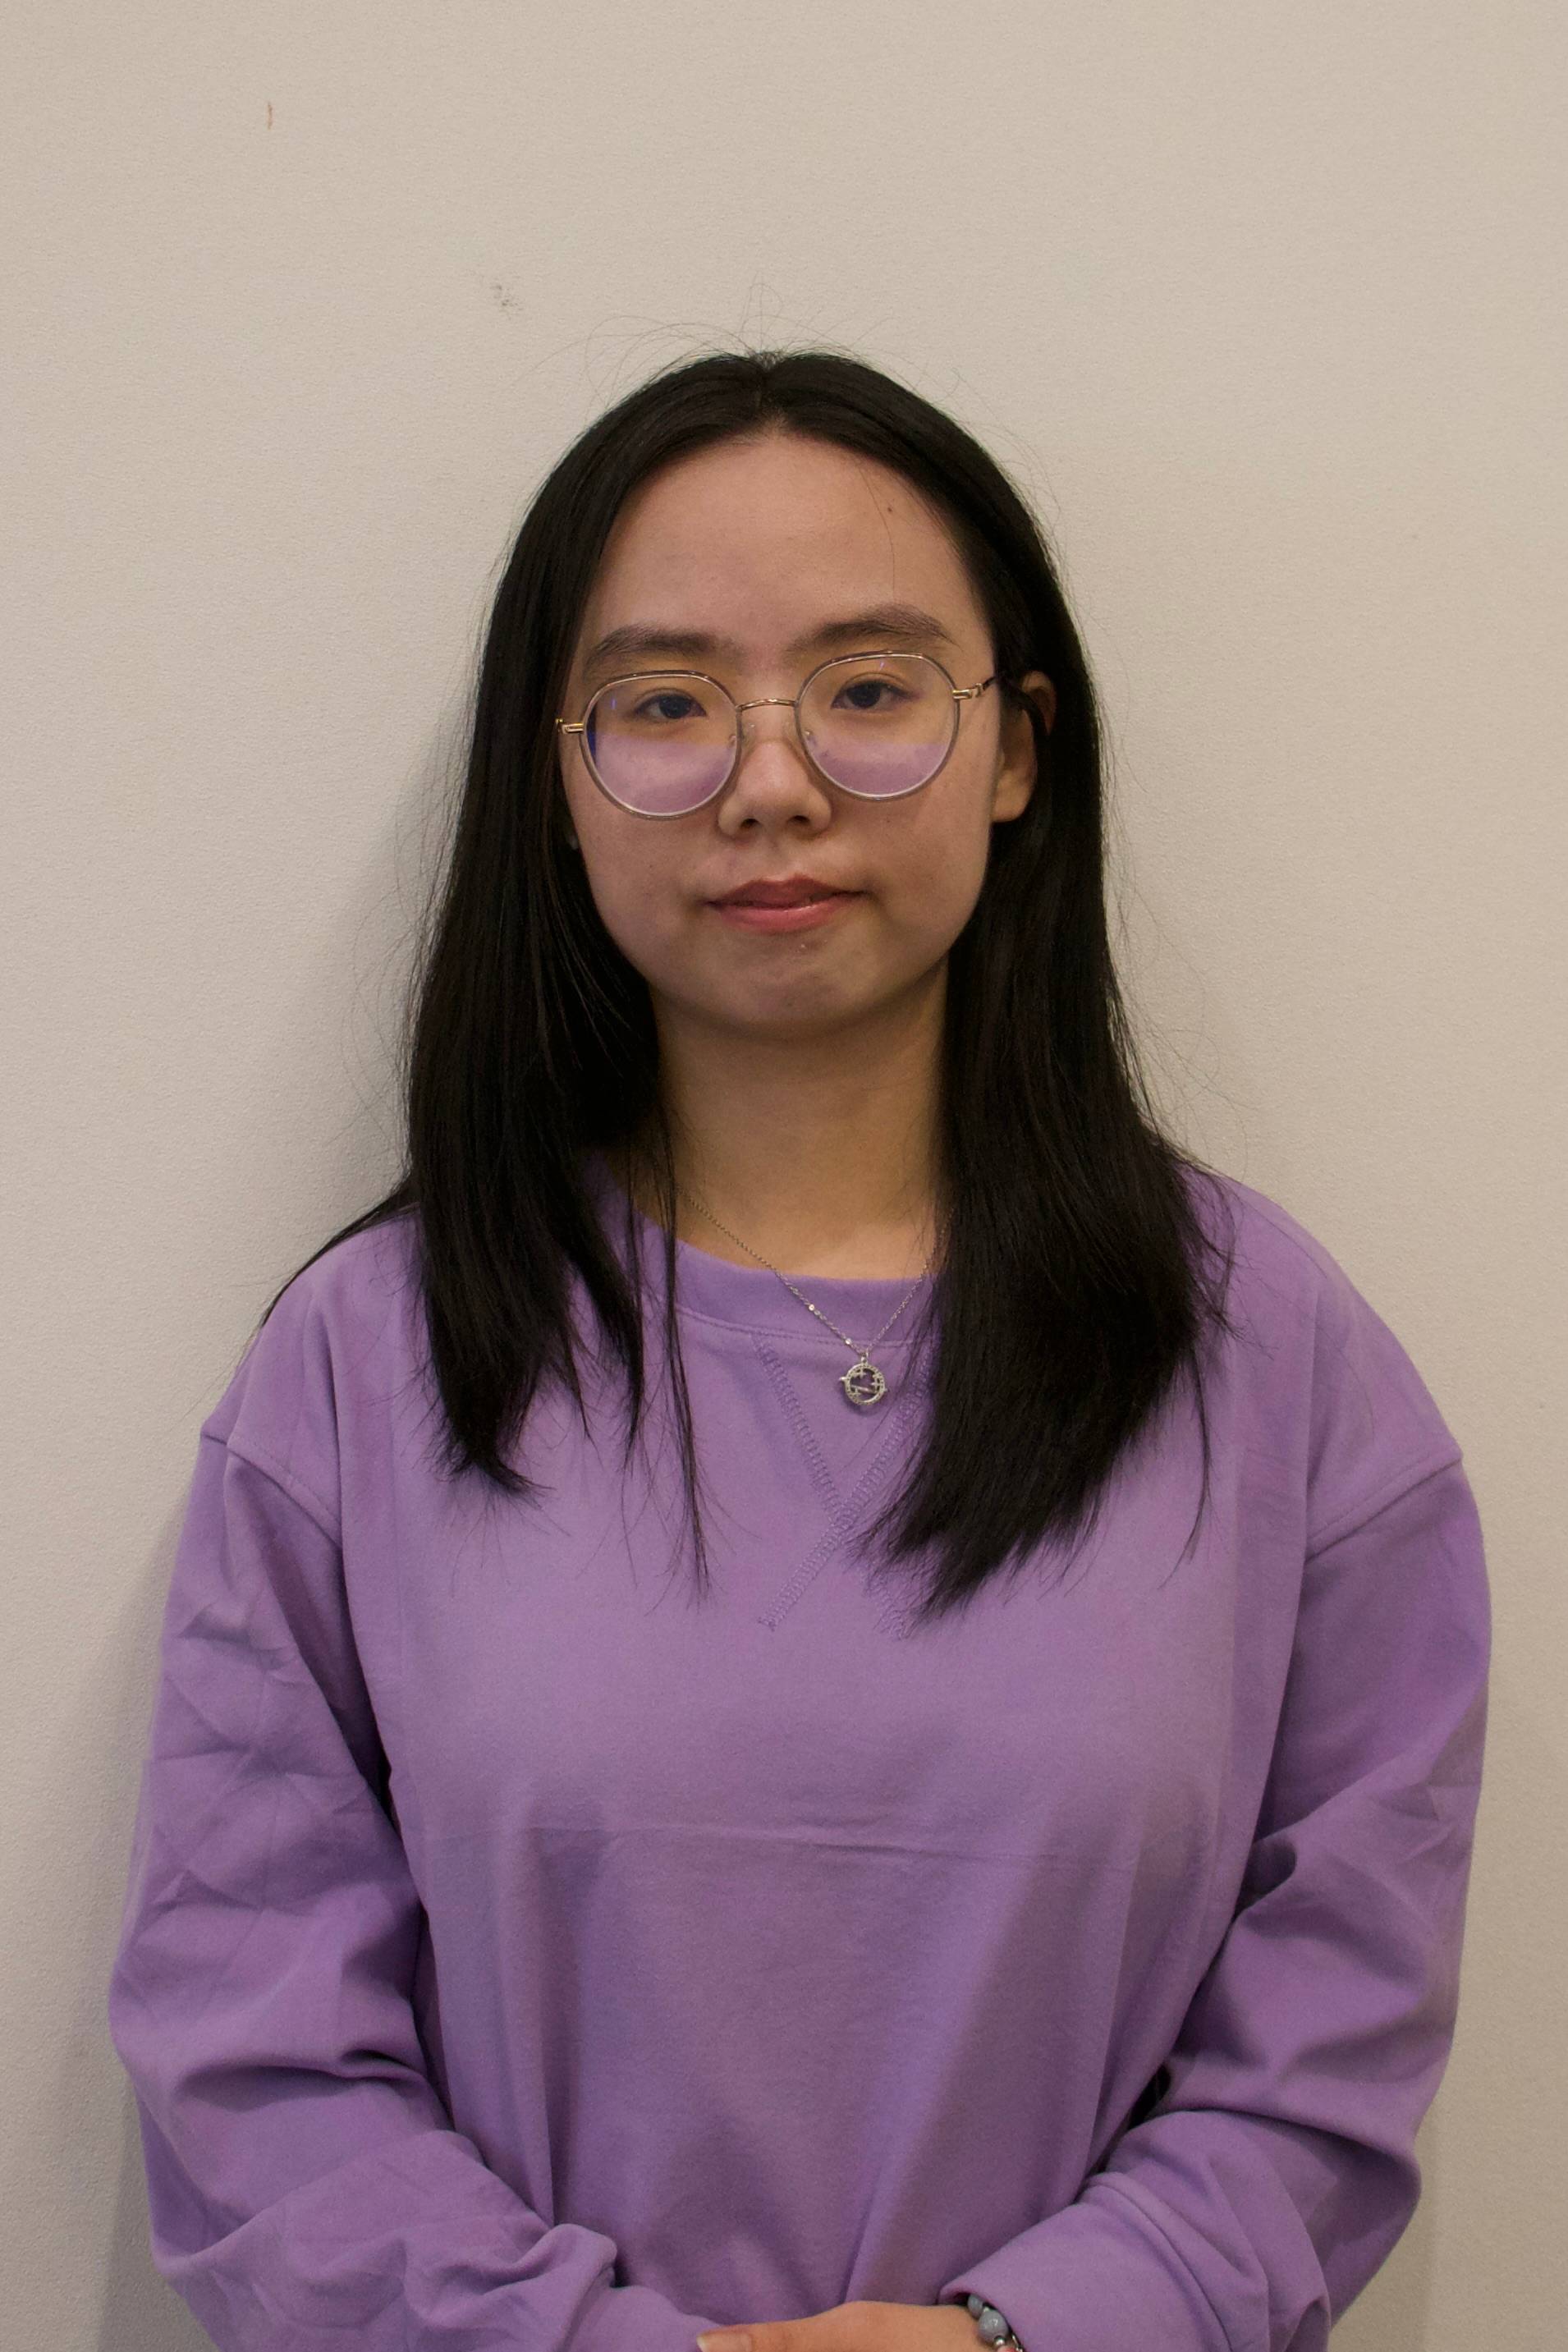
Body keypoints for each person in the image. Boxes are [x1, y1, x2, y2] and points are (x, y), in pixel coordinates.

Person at [107, 347, 1491, 2352]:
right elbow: (254, 2057)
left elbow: (1330, 2047)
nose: (771, 779)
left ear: (1016, 745)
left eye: (866, 687)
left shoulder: (1278, 1369)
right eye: (664, 703)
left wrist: (1023, 2336)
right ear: (555, 774)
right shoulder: (362, 1369)